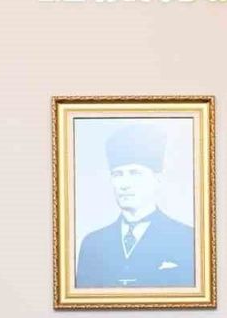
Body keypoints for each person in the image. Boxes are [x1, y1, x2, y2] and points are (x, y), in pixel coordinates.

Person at [75, 122, 196, 288]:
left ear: (157, 179)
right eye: (117, 174)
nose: (124, 184)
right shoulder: (93, 244)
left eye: (135, 173)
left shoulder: (187, 239)